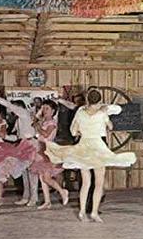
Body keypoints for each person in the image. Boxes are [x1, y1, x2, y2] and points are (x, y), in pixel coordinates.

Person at [45, 89, 136, 222]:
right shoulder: (102, 113)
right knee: (99, 183)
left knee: (85, 183)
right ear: (99, 100)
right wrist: (105, 114)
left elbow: (73, 131)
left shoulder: (81, 112)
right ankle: (94, 212)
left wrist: (83, 132)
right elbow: (110, 126)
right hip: (98, 147)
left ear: (87, 99)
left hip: (84, 147)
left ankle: (82, 212)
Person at [0, 96, 40, 207]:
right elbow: (17, 137)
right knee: (24, 171)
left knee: (32, 172)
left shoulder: (24, 113)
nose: (11, 111)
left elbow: (9, 105)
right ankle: (26, 196)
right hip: (23, 144)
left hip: (31, 144)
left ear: (20, 108)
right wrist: (5, 137)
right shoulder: (19, 120)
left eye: (14, 108)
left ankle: (34, 197)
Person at [31, 99, 68, 210]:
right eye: (43, 108)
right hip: (40, 148)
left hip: (47, 150)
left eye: (47, 108)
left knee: (46, 178)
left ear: (53, 111)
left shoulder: (52, 122)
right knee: (42, 177)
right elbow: (34, 122)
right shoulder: (43, 121)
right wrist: (38, 119)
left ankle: (62, 191)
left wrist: (37, 127)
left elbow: (46, 134)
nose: (44, 110)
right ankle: (47, 201)